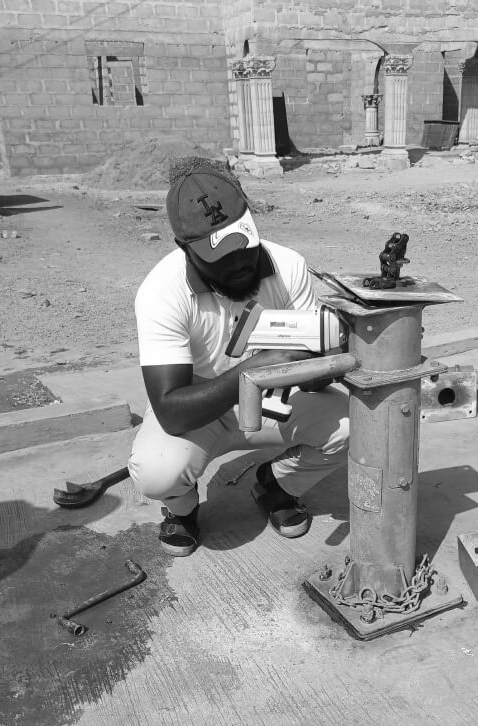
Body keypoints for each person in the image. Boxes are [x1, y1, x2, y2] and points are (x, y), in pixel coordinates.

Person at [128, 157, 349, 556]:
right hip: (200, 409)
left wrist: (323, 360)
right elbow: (171, 411)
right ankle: (183, 507)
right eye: (220, 259)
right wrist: (258, 367)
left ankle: (276, 484)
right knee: (157, 471)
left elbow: (314, 375)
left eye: (244, 247)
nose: (239, 266)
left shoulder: (288, 266)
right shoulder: (161, 291)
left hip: (274, 402)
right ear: (184, 248)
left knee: (359, 428)